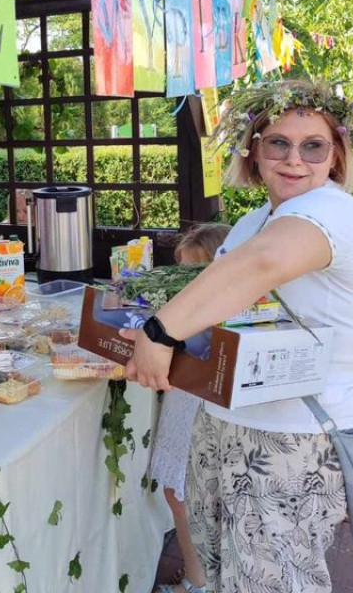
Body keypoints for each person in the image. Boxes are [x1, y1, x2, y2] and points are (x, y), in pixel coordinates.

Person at [122, 78, 353, 593]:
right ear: (255, 150)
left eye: (313, 146)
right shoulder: (254, 220)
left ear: (335, 157)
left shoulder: (329, 212)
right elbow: (224, 298)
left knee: (276, 581)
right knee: (222, 572)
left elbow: (264, 264)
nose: (295, 159)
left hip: (292, 438)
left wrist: (159, 332)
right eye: (278, 143)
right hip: (224, 422)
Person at [150, 222, 230, 593]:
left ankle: (198, 582)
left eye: (191, 277)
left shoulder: (224, 316)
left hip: (198, 409)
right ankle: (198, 576)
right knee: (179, 493)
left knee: (183, 495)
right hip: (186, 403)